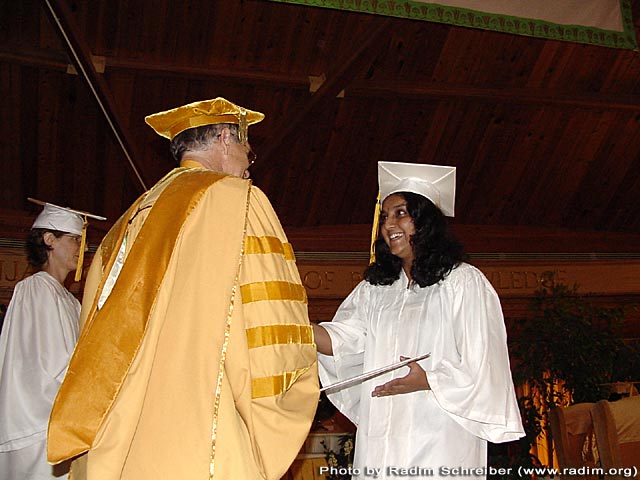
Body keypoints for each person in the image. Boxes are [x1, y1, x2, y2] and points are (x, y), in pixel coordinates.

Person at [47, 97, 319, 480]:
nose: (248, 163)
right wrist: (285, 398)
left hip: (125, 430)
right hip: (200, 427)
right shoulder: (239, 202)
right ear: (225, 137)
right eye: (247, 148)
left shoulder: (129, 219)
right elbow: (269, 329)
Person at [313, 162, 524, 479]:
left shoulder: (462, 283)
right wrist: (296, 327)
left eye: (400, 213)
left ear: (425, 222)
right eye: (385, 216)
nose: (388, 224)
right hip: (381, 437)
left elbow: (483, 361)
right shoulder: (375, 290)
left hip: (439, 434)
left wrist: (429, 379)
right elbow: (344, 341)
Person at [0, 200, 104, 480]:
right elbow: (53, 363)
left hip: (60, 418)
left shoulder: (70, 300)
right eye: (75, 239)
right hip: (38, 424)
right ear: (49, 240)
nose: (82, 248)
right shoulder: (36, 289)